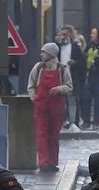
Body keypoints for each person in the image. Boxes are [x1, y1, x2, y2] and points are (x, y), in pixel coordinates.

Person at [27, 42, 73, 172]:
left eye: (44, 52)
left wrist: (59, 89)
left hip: (56, 107)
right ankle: (43, 162)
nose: (41, 54)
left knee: (54, 135)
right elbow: (31, 85)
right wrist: (34, 98)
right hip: (40, 107)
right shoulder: (38, 68)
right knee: (42, 134)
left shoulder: (62, 69)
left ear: (51, 54)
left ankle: (52, 162)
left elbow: (69, 87)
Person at [80, 28, 99, 130]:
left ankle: (96, 122)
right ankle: (86, 121)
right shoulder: (89, 47)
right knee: (86, 100)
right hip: (89, 77)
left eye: (94, 34)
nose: (91, 36)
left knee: (98, 102)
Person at [57, 25, 86, 128]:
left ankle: (73, 121)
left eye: (64, 34)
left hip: (71, 77)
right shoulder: (57, 46)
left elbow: (82, 62)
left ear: (69, 34)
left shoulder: (74, 47)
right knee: (59, 100)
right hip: (58, 77)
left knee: (72, 100)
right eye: (61, 34)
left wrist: (74, 62)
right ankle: (61, 121)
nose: (62, 36)